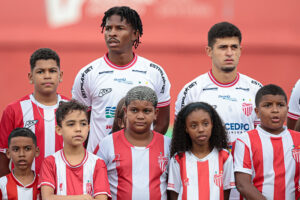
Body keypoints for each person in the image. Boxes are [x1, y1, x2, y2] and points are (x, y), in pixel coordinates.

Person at [72, 6, 171, 154]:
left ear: (135, 34)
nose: (112, 33)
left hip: (140, 159)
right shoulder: (88, 73)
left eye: (119, 28)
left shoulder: (154, 72)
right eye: (108, 28)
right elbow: (79, 122)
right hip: (99, 165)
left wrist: (142, 151)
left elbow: (161, 122)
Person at [0, 48, 68, 176]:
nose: (47, 75)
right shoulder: (13, 110)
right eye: (40, 71)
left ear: (60, 76)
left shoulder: (72, 109)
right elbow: (3, 157)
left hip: (64, 189)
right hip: (26, 190)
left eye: (52, 71)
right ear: (31, 77)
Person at [98, 86, 171, 199]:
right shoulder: (107, 144)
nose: (140, 116)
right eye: (134, 110)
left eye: (146, 111)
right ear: (126, 111)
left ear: (156, 113)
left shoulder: (167, 144)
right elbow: (99, 185)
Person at [234, 84, 300, 200]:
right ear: (257, 112)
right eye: (268, 105)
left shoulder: (298, 139)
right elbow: (242, 184)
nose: (275, 110)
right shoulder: (245, 140)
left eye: (280, 105)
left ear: (287, 109)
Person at [38, 100, 111, 200]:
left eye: (83, 124)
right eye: (71, 124)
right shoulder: (50, 162)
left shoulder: (98, 163)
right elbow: (47, 198)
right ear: (59, 130)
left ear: (89, 128)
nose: (78, 129)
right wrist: (81, 198)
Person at [168, 102, 235, 200]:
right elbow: (174, 193)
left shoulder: (224, 156)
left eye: (205, 124)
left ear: (212, 124)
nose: (201, 129)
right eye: (194, 126)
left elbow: (225, 191)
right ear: (186, 129)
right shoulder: (178, 158)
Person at [0, 128, 40, 199]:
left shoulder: (43, 183)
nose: (21, 154)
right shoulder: (2, 184)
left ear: (36, 152)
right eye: (16, 149)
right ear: (8, 153)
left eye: (27, 149)